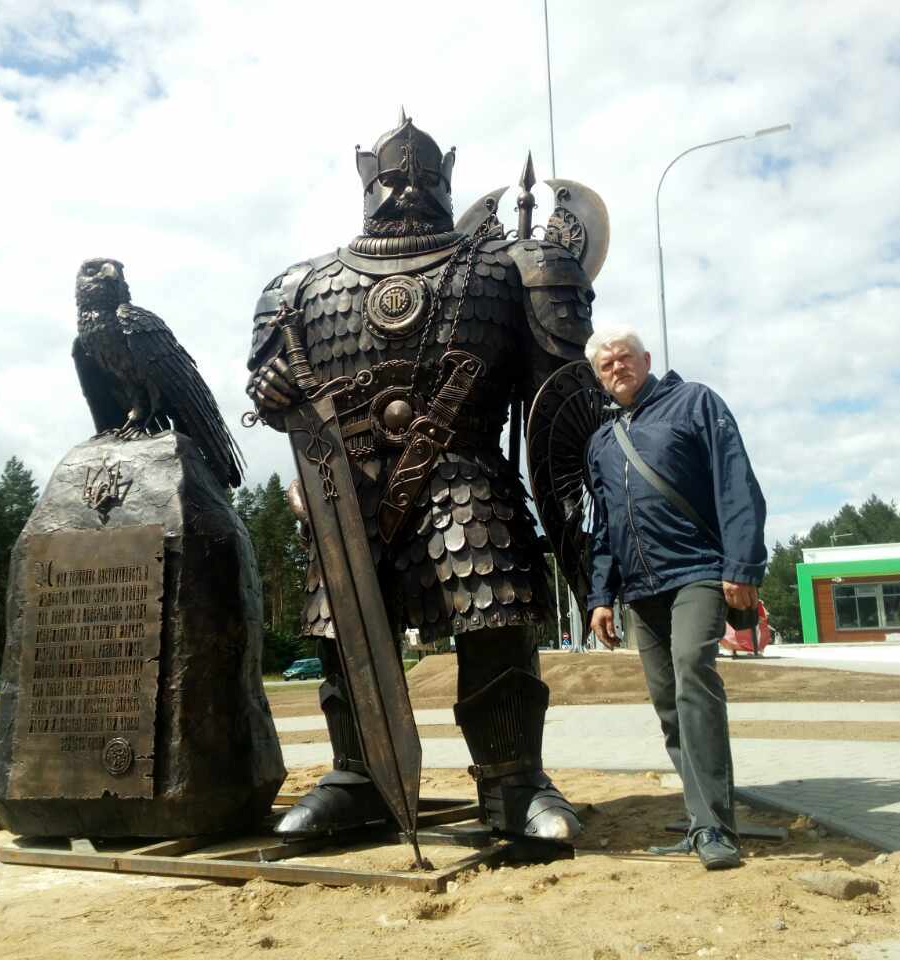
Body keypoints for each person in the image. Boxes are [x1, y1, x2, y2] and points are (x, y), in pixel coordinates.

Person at [246, 114, 595, 842]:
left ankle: (513, 781)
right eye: (393, 179)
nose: (407, 189)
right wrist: (275, 391)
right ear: (366, 182)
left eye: (425, 178)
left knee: (492, 617)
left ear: (448, 180)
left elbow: (556, 405)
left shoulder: (504, 269)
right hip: (348, 487)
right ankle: (360, 775)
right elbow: (275, 398)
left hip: (464, 472)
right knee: (341, 632)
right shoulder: (299, 285)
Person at [584, 329, 767, 870]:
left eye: (624, 358)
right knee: (668, 705)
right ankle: (698, 821)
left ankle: (716, 827)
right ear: (599, 376)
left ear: (646, 360)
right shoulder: (601, 441)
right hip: (641, 589)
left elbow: (736, 483)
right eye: (605, 364)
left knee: (693, 674)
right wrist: (600, 596)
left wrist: (742, 565)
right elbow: (604, 525)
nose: (617, 368)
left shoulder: (695, 402)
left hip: (699, 572)